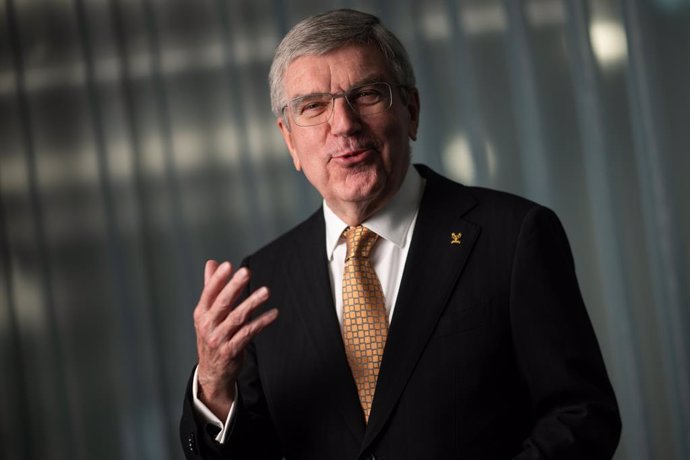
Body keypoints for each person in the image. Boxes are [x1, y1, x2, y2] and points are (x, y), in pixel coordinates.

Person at [180, 8, 621, 460]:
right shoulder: (263, 280)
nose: (344, 125)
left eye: (366, 95)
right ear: (290, 140)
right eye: (313, 107)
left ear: (410, 111)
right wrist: (215, 386)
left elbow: (582, 415)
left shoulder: (512, 236)